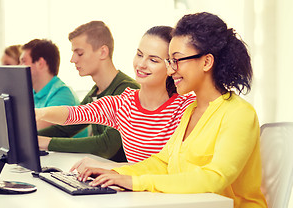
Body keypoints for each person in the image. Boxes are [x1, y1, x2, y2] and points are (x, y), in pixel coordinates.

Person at [74, 12, 267, 208]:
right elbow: (162, 162)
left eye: (177, 60)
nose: (170, 70)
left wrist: (135, 182)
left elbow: (214, 178)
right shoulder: (191, 110)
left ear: (206, 62)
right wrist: (115, 174)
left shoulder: (239, 114)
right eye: (169, 61)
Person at [36, 25, 195, 164]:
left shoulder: (186, 107)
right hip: (134, 192)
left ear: (171, 66)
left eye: (153, 60)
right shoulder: (123, 103)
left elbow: (175, 168)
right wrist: (40, 113)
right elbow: (73, 114)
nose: (141, 64)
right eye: (139, 55)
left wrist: (113, 169)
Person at [37, 21, 140, 162]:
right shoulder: (95, 92)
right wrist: (28, 139)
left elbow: (106, 145)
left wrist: (46, 143)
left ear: (103, 52)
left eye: (79, 53)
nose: (73, 60)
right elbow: (65, 129)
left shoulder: (128, 90)